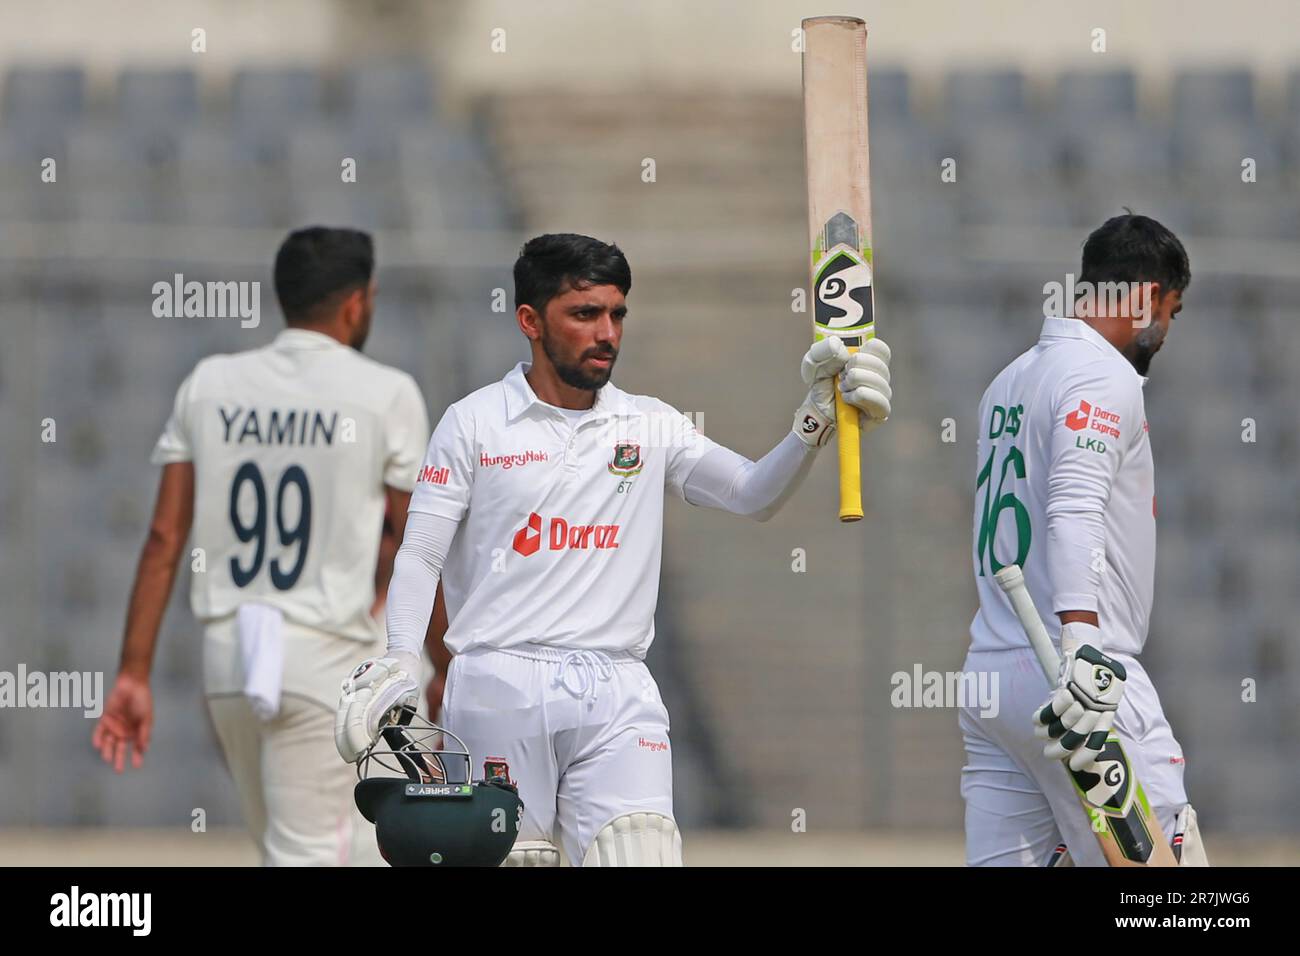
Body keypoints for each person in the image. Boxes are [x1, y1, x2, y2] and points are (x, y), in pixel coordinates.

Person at [335, 233, 893, 866]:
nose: (607, 333)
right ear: (530, 321)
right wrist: (405, 659)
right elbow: (421, 554)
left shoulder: (649, 423)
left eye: (617, 313)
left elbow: (749, 493)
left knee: (641, 852)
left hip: (618, 689)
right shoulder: (474, 422)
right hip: (499, 685)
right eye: (584, 314)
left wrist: (814, 419)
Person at [93, 226, 436, 866]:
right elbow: (419, 546)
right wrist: (443, 662)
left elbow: (166, 537)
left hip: (231, 660)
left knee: (288, 848)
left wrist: (134, 673)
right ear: (358, 302)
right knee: (332, 851)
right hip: (329, 659)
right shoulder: (386, 392)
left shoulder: (210, 382)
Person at [959, 212, 1208, 866]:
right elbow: (1075, 506)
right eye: (1171, 313)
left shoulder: (1006, 382)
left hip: (993, 677)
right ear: (1148, 296)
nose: (1166, 333)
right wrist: (1082, 643)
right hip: (1074, 675)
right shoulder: (1104, 377)